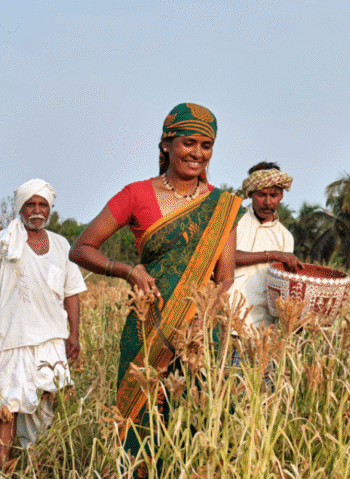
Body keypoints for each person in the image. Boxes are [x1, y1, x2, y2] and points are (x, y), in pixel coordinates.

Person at [69, 102, 244, 467]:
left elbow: (225, 277)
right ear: (167, 143)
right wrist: (127, 270)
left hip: (201, 333)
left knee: (200, 425)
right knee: (141, 421)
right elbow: (81, 248)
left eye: (206, 145)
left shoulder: (222, 206)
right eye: (188, 143)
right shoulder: (136, 194)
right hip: (148, 327)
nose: (197, 153)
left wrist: (205, 316)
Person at [0, 179, 86, 469]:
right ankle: (3, 471)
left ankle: (38, 467)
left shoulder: (61, 245)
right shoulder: (3, 241)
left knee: (49, 403)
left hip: (51, 339)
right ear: (21, 207)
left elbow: (71, 293)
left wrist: (74, 334)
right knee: (7, 408)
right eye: (31, 204)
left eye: (42, 205)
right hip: (9, 338)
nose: (37, 210)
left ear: (50, 209)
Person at [230, 162, 302, 330]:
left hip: (261, 327)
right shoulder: (235, 218)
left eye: (274, 195)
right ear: (251, 194)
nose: (268, 202)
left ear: (281, 195)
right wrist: (273, 254)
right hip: (226, 319)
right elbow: (227, 258)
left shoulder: (285, 237)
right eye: (261, 195)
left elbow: (283, 284)